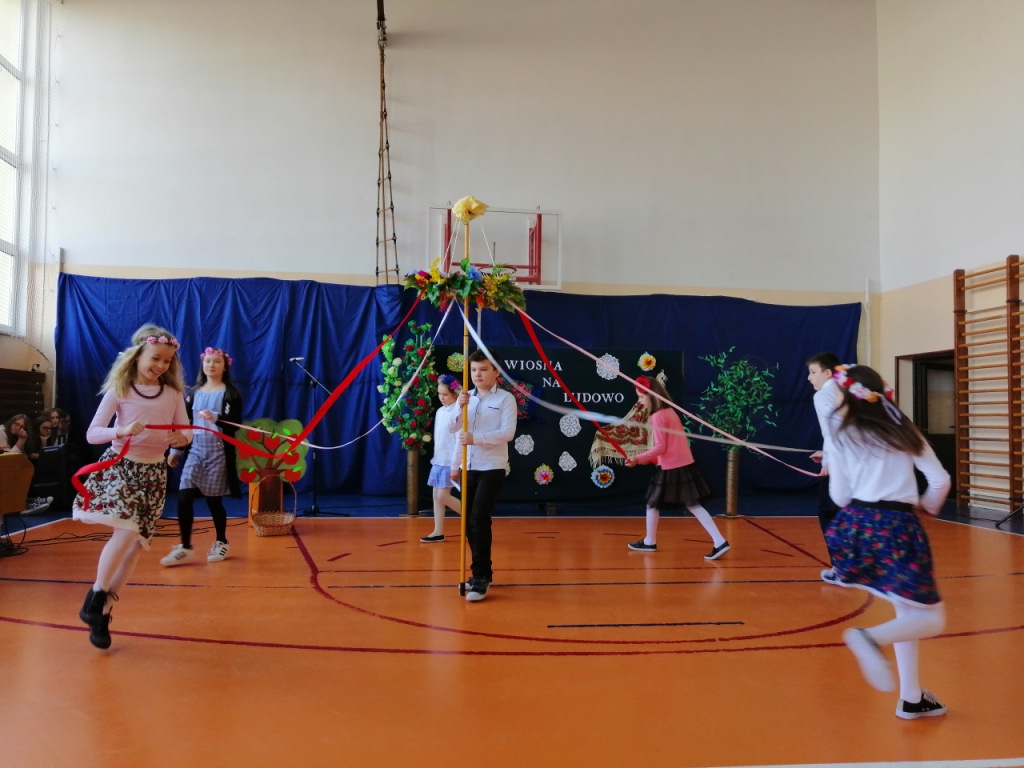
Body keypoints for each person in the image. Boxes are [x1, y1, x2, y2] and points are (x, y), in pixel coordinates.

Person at [823, 364, 950, 720]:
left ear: (848, 397)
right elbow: (939, 480)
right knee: (932, 619)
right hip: (896, 528)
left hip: (857, 527)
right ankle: (869, 638)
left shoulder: (841, 434)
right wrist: (927, 505)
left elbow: (839, 496)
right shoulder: (903, 429)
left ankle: (911, 697)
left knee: (907, 611)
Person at [72, 324, 191, 649]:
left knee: (136, 544)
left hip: (154, 475)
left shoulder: (173, 393)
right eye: (156, 358)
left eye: (167, 361)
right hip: (122, 469)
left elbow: (186, 430)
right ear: (138, 355)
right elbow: (93, 433)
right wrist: (121, 431)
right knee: (125, 532)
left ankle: (103, 613)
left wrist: (180, 439)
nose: (161, 365)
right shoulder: (120, 390)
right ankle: (96, 595)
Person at [624, 375, 730, 560]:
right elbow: (669, 446)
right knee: (688, 504)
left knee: (656, 502)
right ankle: (718, 541)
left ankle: (651, 542)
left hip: (673, 466)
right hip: (682, 462)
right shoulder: (669, 411)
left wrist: (638, 459)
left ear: (652, 396)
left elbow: (661, 447)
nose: (639, 402)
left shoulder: (658, 416)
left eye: (641, 397)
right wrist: (645, 460)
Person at [162, 346, 243, 566]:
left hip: (218, 451)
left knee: (213, 501)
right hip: (196, 450)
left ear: (225, 366)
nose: (211, 365)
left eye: (216, 361)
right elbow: (184, 423)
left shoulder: (231, 393)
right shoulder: (193, 393)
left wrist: (216, 417)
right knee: (184, 496)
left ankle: (221, 540)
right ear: (202, 364)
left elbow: (235, 424)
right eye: (207, 361)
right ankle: (185, 546)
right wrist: (176, 450)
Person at [450, 350, 517, 601]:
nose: (477, 374)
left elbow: (507, 433)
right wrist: (459, 407)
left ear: (496, 372)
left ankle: (481, 576)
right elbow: (453, 427)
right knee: (468, 522)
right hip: (467, 467)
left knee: (478, 518)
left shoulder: (506, 399)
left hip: (492, 467)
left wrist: (475, 438)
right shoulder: (467, 398)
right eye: (474, 370)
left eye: (484, 369)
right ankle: (480, 572)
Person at [806, 351, 843, 581]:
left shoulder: (822, 396)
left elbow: (834, 429)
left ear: (827, 373)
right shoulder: (848, 391)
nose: (809, 378)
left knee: (828, 513)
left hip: (838, 466)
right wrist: (826, 452)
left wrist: (828, 460)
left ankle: (841, 569)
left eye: (813, 372)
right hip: (856, 463)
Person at [420, 373, 462, 543]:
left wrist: (455, 464)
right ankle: (438, 531)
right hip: (439, 460)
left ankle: (473, 517)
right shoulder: (440, 411)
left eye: (445, 394)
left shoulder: (458, 412)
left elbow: (458, 439)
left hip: (450, 461)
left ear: (454, 394)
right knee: (436, 497)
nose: (442, 397)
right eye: (439, 394)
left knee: (442, 496)